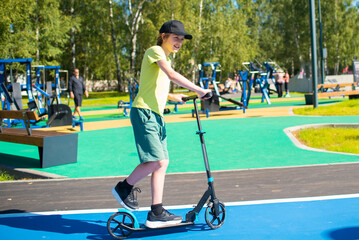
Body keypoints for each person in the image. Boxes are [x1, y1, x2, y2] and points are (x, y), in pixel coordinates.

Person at [112, 20, 211, 229]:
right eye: (176, 38)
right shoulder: (155, 51)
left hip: (156, 115)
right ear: (163, 36)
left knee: (162, 162)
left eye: (182, 40)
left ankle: (156, 211)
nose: (179, 43)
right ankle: (124, 187)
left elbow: (158, 89)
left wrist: (178, 97)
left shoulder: (163, 58)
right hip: (144, 113)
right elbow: (172, 75)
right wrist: (199, 90)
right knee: (156, 161)